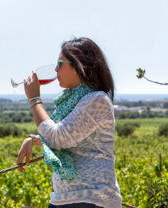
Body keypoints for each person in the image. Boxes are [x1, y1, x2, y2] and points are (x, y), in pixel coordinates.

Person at [16, 37, 122, 208]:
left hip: (92, 200)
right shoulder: (73, 101)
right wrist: (33, 139)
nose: (56, 69)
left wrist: (34, 100)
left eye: (60, 63)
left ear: (79, 65)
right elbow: (66, 132)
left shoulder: (96, 101)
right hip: (62, 199)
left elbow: (58, 137)